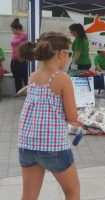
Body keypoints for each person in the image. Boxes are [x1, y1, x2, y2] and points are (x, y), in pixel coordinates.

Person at [17, 32, 80, 200]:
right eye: (69, 54)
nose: (68, 58)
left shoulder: (33, 76)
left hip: (27, 145)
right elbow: (72, 116)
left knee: (28, 196)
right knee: (72, 192)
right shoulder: (62, 78)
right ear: (61, 54)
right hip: (53, 148)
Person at [10, 18, 28, 93]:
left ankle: (30, 92)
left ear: (18, 29)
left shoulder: (25, 35)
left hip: (21, 59)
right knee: (16, 77)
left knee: (24, 76)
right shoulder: (15, 36)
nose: (12, 31)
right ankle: (18, 92)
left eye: (13, 29)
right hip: (14, 59)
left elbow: (28, 45)